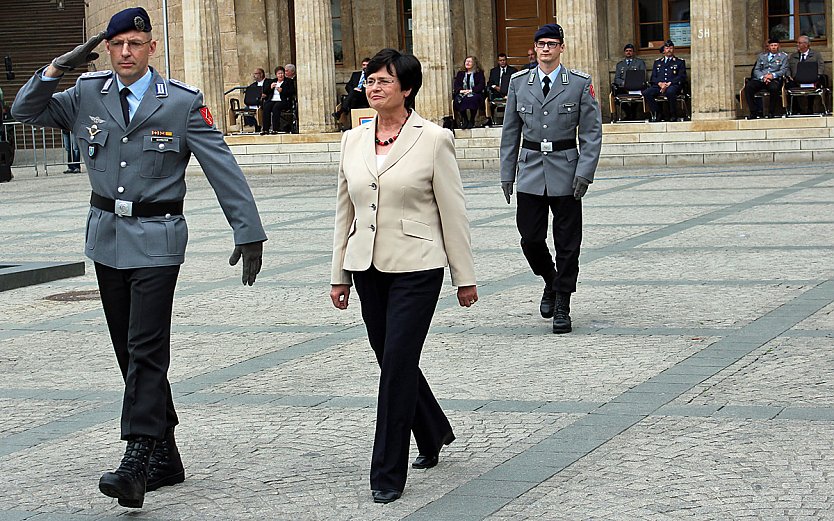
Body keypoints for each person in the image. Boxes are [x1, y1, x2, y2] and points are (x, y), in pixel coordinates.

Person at [11, 7, 267, 509]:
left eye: (135, 43)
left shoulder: (181, 103)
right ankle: (167, 455)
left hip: (158, 238)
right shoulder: (87, 95)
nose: (125, 52)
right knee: (128, 353)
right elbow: (24, 111)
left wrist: (248, 231)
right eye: (116, 44)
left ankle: (137, 457)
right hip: (107, 238)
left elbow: (222, 166)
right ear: (106, 50)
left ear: (152, 47)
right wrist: (58, 66)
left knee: (146, 348)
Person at [329, 48, 477, 504]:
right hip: (367, 266)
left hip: (418, 265)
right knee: (392, 358)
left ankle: (387, 471)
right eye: (369, 81)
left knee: (395, 365)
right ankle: (432, 431)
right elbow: (344, 210)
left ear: (406, 88)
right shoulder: (352, 140)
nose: (373, 88)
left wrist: (464, 276)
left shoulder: (433, 138)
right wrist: (339, 274)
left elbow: (453, 211)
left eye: (384, 81)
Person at [499, 23, 602, 334]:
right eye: (541, 44)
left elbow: (591, 132)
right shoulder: (519, 83)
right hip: (530, 168)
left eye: (551, 44)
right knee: (530, 238)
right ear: (535, 48)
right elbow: (510, 133)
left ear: (561, 48)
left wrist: (585, 172)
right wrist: (507, 173)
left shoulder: (579, 84)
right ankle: (550, 279)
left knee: (568, 243)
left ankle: (563, 304)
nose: (546, 49)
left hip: (566, 169)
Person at [642, 40, 686, 122]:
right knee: (646, 92)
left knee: (670, 92)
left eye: (670, 48)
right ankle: (658, 113)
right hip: (659, 86)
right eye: (667, 48)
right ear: (664, 50)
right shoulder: (658, 62)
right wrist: (660, 84)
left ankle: (673, 114)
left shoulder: (679, 62)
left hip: (673, 85)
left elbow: (682, 76)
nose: (669, 50)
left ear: (673, 49)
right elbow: (653, 77)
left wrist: (669, 83)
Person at [745, 38, 789, 119]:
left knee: (774, 88)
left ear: (779, 46)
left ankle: (771, 112)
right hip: (762, 79)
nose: (773, 47)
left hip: (774, 79)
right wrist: (763, 77)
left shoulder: (783, 56)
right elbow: (756, 69)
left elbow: (784, 70)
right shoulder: (762, 56)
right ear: (768, 47)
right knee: (749, 86)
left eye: (775, 45)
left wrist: (772, 75)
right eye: (771, 45)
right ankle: (754, 112)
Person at [787, 35, 825, 115]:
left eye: (799, 43)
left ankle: (810, 108)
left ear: (806, 44)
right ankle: (796, 109)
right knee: (788, 85)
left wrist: (817, 75)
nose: (797, 44)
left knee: (818, 82)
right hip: (796, 79)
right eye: (797, 43)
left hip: (812, 79)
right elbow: (788, 67)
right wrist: (789, 75)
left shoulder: (816, 55)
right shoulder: (793, 56)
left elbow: (821, 66)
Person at [612, 43, 646, 120]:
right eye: (627, 51)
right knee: (616, 95)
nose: (628, 52)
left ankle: (632, 115)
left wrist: (633, 83)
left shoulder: (639, 63)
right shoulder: (620, 65)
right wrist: (623, 83)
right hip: (623, 87)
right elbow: (617, 78)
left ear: (633, 52)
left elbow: (642, 76)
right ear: (624, 52)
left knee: (636, 95)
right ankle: (629, 113)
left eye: (630, 51)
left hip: (636, 86)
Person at [332, 57, 370, 124]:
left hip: (364, 95)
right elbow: (347, 86)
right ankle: (350, 122)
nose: (365, 67)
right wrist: (354, 89)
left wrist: (360, 90)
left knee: (352, 95)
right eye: (364, 65)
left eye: (367, 65)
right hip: (354, 96)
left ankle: (340, 112)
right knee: (353, 95)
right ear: (362, 65)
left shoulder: (371, 76)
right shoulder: (355, 74)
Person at [453, 55, 485, 129]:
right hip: (462, 93)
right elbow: (457, 84)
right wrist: (461, 91)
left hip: (475, 93)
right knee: (458, 99)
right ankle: (465, 119)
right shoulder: (460, 73)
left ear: (474, 63)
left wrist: (471, 90)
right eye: (466, 61)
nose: (467, 63)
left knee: (473, 99)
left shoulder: (479, 73)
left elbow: (481, 85)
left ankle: (472, 119)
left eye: (470, 61)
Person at [261, 65, 296, 134]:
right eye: (279, 74)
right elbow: (265, 92)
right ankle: (265, 129)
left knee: (276, 108)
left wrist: (282, 91)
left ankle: (275, 128)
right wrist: (270, 88)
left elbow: (291, 92)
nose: (281, 75)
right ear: (276, 75)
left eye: (282, 73)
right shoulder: (273, 81)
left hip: (283, 100)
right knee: (266, 107)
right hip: (273, 99)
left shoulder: (289, 81)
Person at [485, 53, 517, 126]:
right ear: (498, 61)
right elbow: (490, 83)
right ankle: (491, 119)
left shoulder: (513, 70)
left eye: (504, 60)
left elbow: (516, 83)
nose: (502, 62)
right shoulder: (494, 71)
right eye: (500, 60)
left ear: (506, 60)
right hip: (496, 92)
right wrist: (495, 87)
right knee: (489, 97)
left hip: (509, 92)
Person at [243, 67, 266, 132]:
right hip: (253, 104)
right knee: (246, 109)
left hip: (263, 103)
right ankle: (253, 125)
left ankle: (261, 126)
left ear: (261, 74)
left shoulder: (267, 83)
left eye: (256, 74)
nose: (254, 76)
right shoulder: (252, 86)